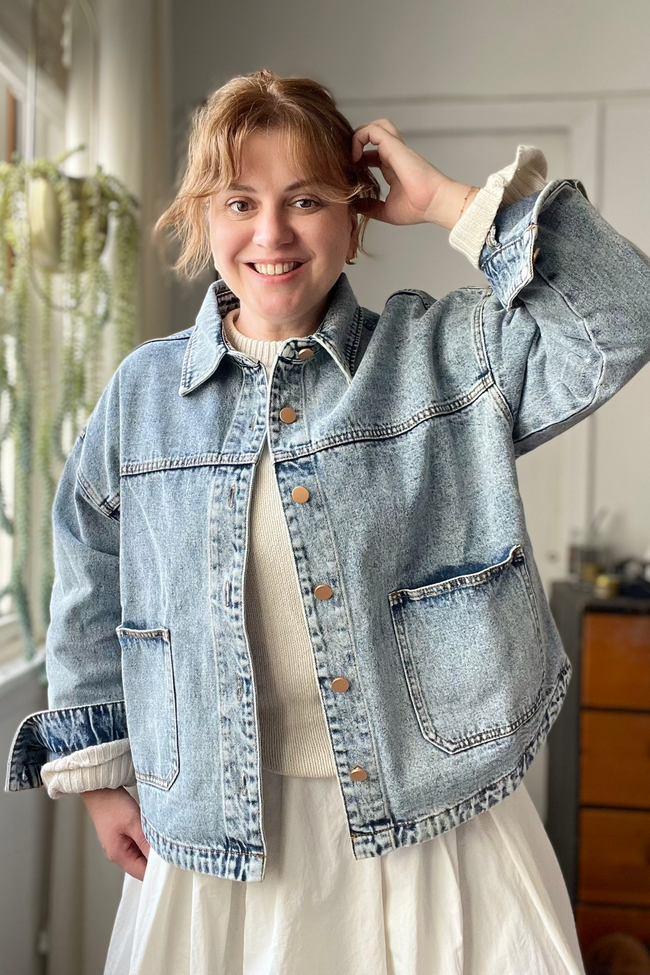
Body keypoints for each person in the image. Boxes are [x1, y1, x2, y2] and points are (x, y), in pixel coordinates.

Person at [6, 68, 650, 975]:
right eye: (240, 201)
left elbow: (620, 317)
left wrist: (445, 200)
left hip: (440, 818)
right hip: (214, 831)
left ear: (355, 218)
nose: (271, 233)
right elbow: (90, 566)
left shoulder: (442, 356)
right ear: (203, 218)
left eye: (305, 199)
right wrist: (103, 775)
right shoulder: (143, 395)